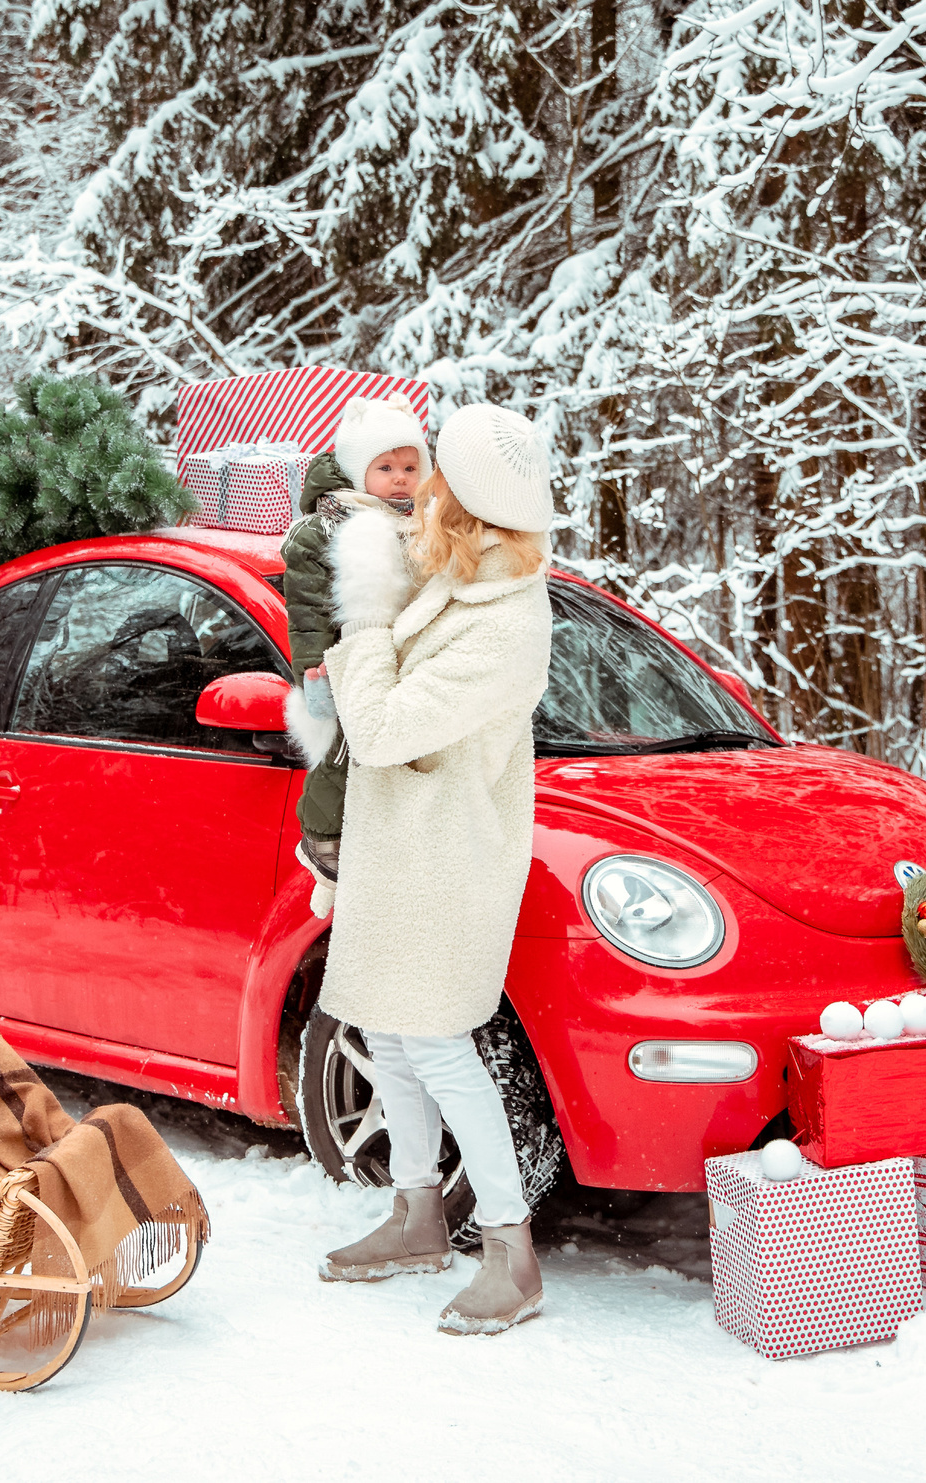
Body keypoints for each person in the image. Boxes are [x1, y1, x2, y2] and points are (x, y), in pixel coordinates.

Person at [311, 403, 555, 1335]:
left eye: (434, 474)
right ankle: (417, 1214)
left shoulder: (506, 624)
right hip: (401, 850)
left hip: (449, 862)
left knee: (445, 1047)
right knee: (391, 1030)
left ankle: (510, 1250)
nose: (420, 488)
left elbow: (379, 727)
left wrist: (365, 624)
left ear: (467, 499)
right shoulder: (458, 578)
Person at [280, 396, 430, 911]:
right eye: (385, 468)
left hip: (406, 667)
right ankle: (322, 836)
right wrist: (315, 672)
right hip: (343, 661)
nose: (400, 479)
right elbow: (308, 615)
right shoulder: (324, 529)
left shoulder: (421, 527)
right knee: (343, 744)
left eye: (410, 467)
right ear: (354, 470)